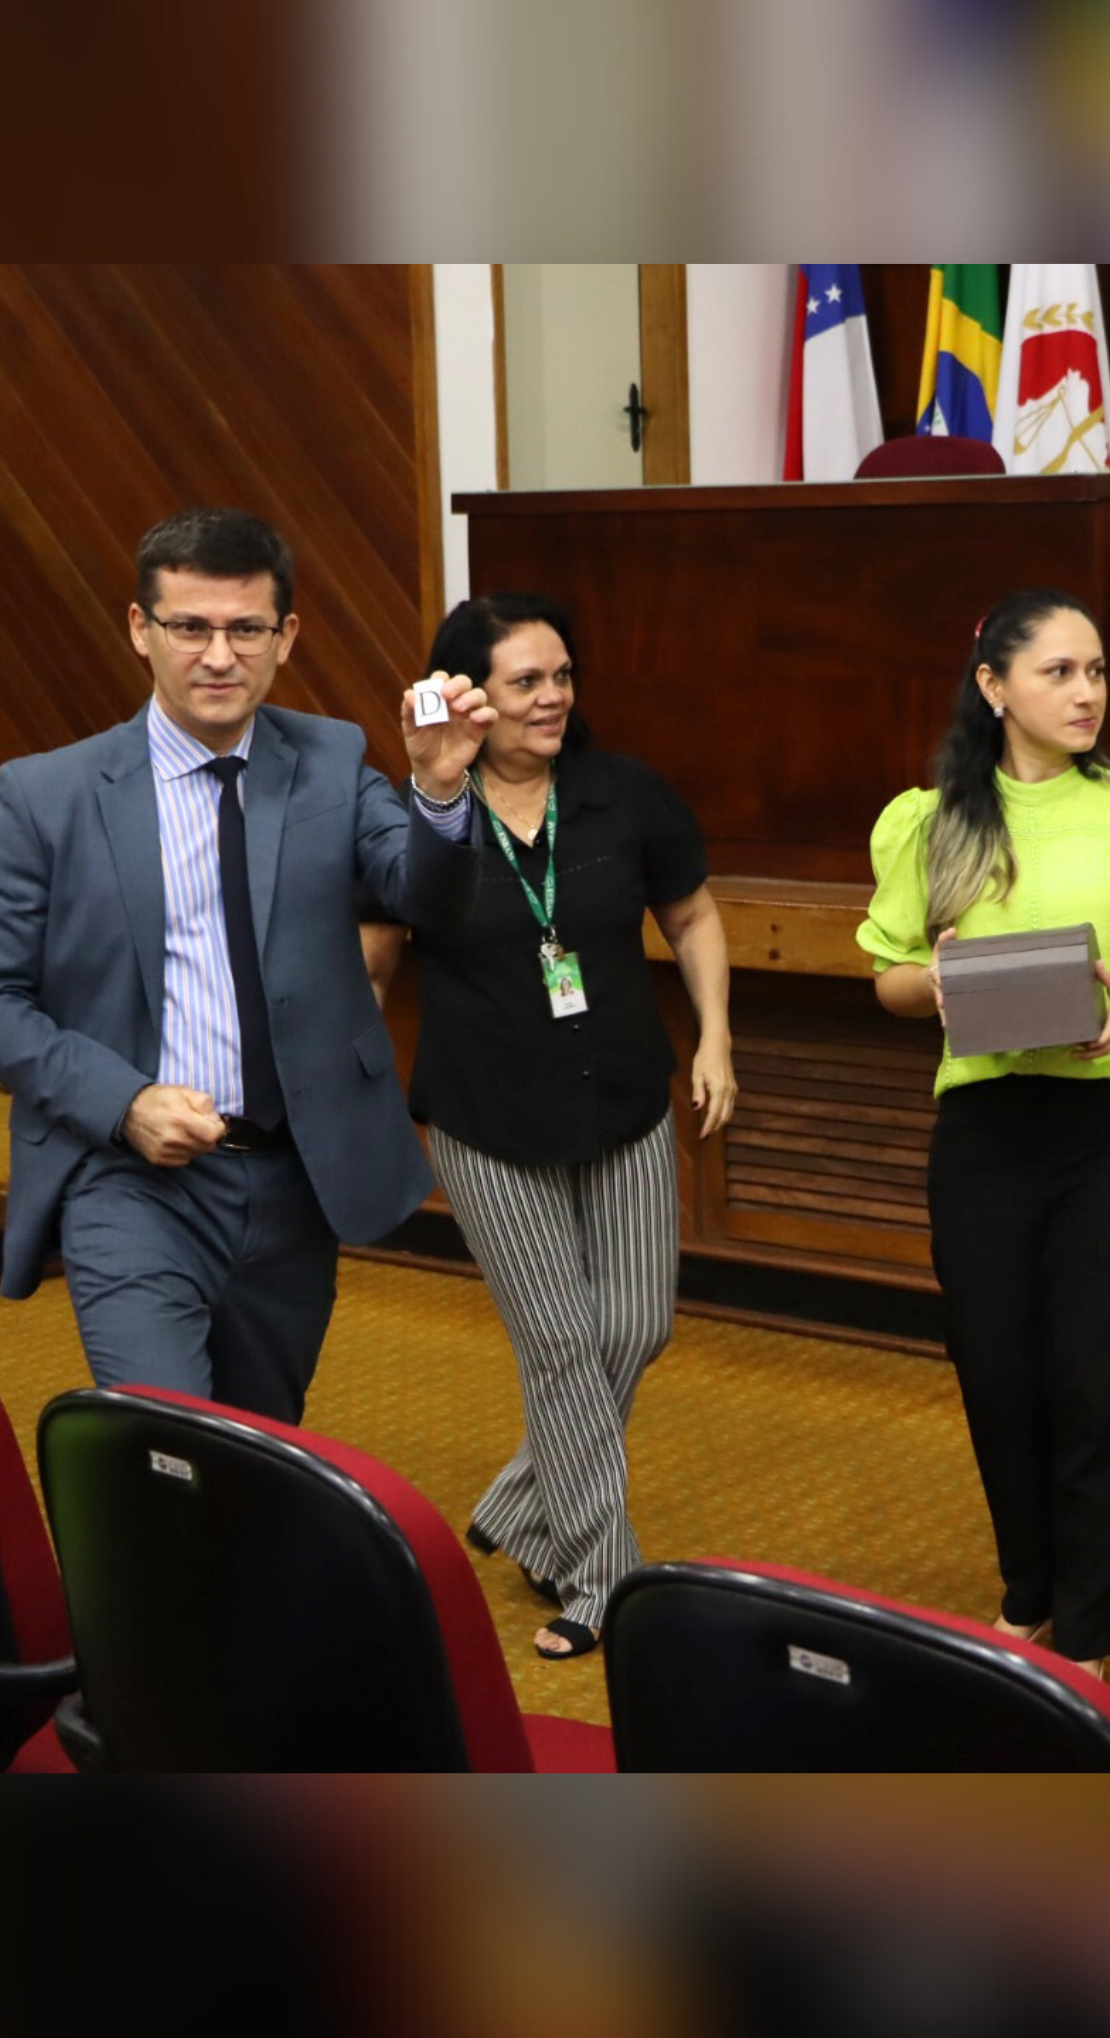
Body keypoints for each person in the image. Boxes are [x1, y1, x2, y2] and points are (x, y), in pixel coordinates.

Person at [0, 507, 487, 1423]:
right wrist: (125, 1103)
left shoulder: (331, 761)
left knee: (258, 1447)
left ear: (287, 637)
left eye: (246, 630)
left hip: (293, 1176)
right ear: (140, 628)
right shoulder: (48, 795)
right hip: (128, 1178)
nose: (219, 657)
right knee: (164, 1440)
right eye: (190, 627)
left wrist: (438, 789)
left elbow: (425, 900)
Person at [856, 590, 1110, 1680]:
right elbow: (888, 977)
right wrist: (933, 981)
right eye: (1059, 672)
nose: (1086, 693)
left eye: (1097, 671)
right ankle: (1026, 1594)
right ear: (994, 687)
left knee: (1098, 1381)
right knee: (997, 1371)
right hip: (987, 1124)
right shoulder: (930, 822)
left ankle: (1090, 1628)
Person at [407, 594, 736, 1661]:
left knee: (632, 1329)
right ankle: (604, 1579)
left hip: (623, 1099)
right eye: (524, 682)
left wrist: (716, 1039)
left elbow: (692, 915)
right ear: (469, 696)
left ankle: (515, 1506)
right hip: (487, 1119)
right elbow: (383, 933)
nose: (550, 698)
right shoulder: (425, 815)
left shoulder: (622, 793)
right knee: (558, 1345)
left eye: (561, 677)